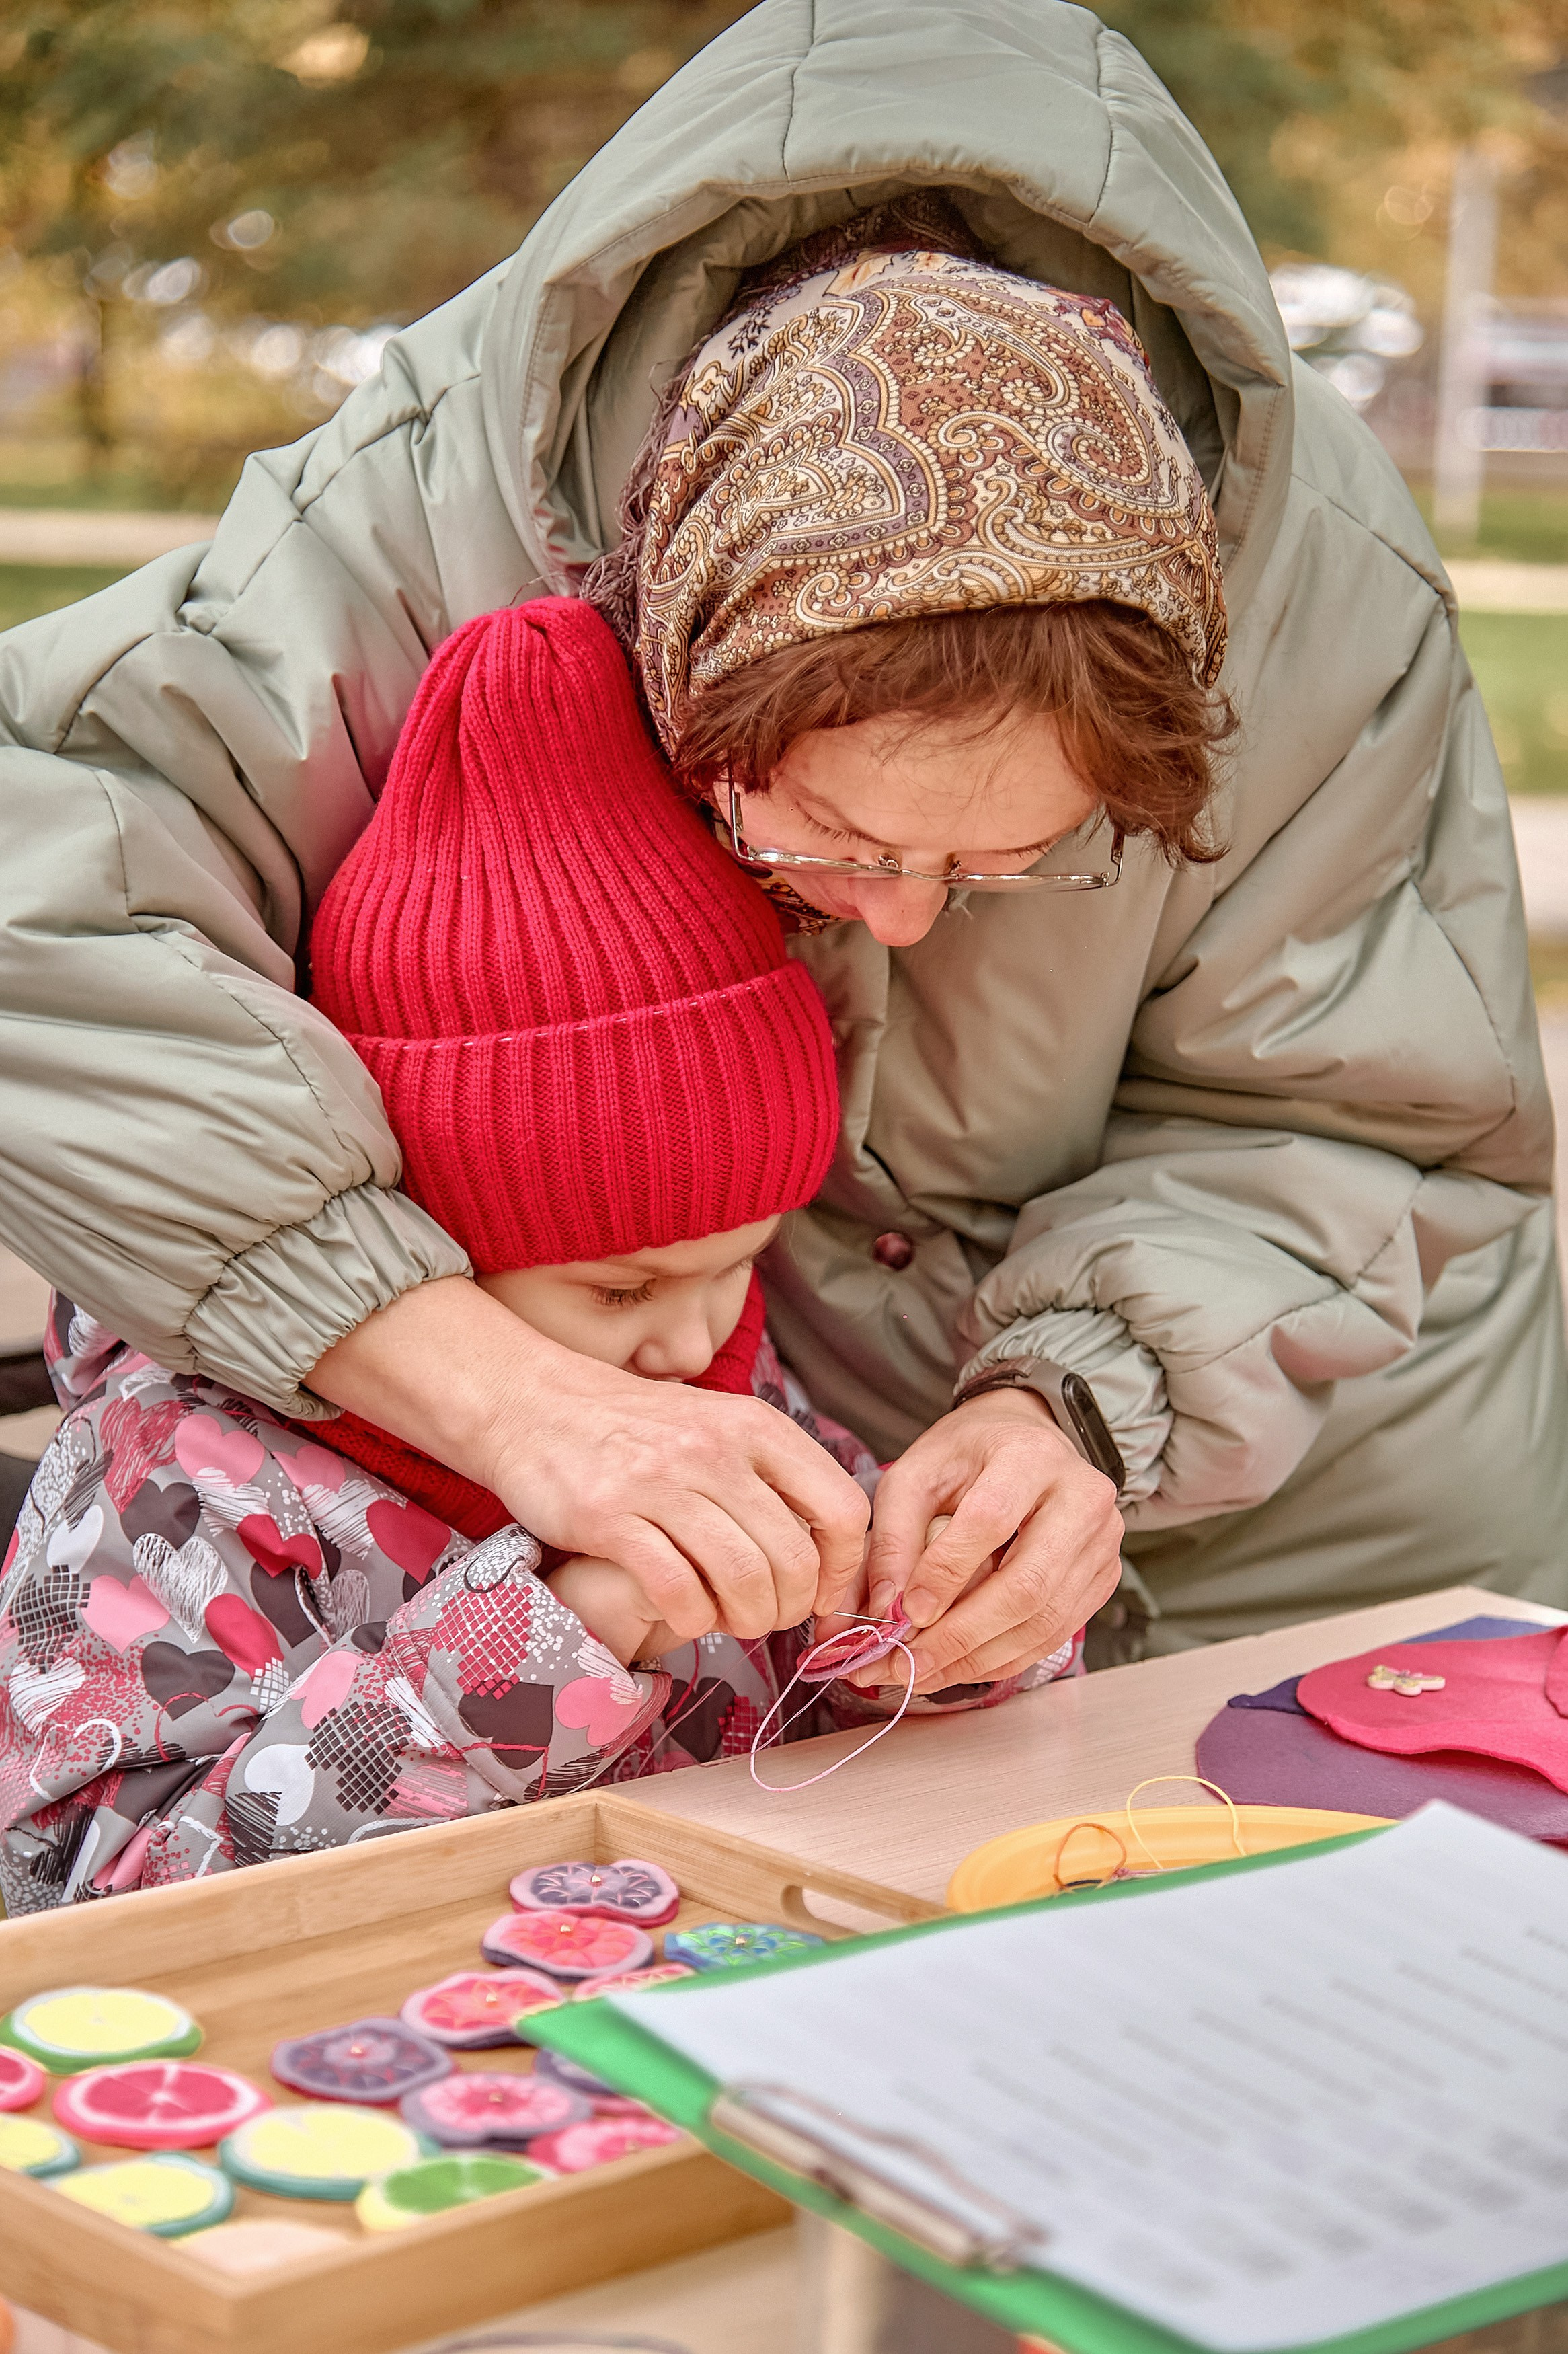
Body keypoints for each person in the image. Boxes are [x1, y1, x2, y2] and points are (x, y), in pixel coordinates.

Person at [0, 1, 1561, 1697]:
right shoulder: (412, 518)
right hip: (780, 1537)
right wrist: (491, 1387)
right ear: (677, 647)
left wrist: (1090, 1399)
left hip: (1332, 1524)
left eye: (1003, 865)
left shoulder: (1315, 595)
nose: (894, 924)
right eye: (823, 832)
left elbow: (1354, 1113)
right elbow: (47, 912)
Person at [0, 598, 1080, 1911]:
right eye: (621, 1285)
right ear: (435, 1248)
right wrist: (547, 1637)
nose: (691, 1340)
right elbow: (88, 1899)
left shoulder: (716, 1381)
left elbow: (855, 1742)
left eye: (735, 1263)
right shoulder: (180, 1488)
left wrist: (948, 1629)